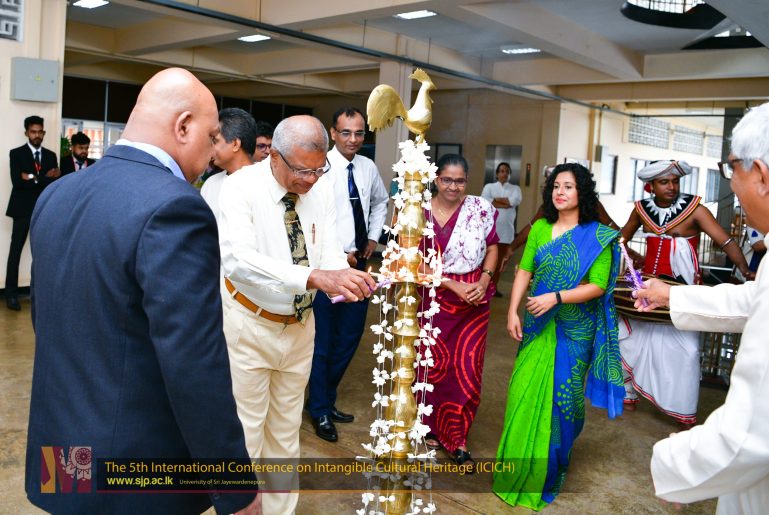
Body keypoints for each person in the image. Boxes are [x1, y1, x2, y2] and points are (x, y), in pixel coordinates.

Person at [25, 68, 259, 515]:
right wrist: (235, 487)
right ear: (183, 125)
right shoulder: (176, 206)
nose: (213, 151)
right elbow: (194, 365)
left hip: (64, 447)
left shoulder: (57, 194)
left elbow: (47, 319)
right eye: (211, 136)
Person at [218, 114, 376, 514]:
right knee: (246, 432)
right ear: (274, 156)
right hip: (249, 325)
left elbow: (328, 250)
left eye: (319, 170)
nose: (311, 180)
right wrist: (314, 277)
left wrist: (344, 277)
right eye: (303, 170)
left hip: (300, 327)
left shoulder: (320, 188)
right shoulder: (240, 188)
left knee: (286, 434)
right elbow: (239, 261)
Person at [636, 101, 769, 513]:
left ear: (761, 175)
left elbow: (754, 428)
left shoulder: (696, 210)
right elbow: (752, 300)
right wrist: (670, 294)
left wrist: (676, 465)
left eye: (732, 170)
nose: (733, 188)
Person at [493, 162, 623, 510]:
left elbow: (598, 286)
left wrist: (557, 297)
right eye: (555, 186)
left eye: (568, 186)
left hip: (574, 330)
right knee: (521, 391)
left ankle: (547, 473)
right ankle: (515, 471)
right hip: (537, 325)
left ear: (582, 192)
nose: (560, 192)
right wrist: (511, 310)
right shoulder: (540, 228)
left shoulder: (597, 236)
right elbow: (525, 270)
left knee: (564, 405)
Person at [618, 160, 752, 427]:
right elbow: (621, 239)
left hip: (680, 291)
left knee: (687, 352)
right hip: (647, 288)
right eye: (664, 182)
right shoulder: (641, 210)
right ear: (650, 186)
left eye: (675, 181)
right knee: (629, 339)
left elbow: (725, 241)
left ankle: (683, 410)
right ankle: (628, 392)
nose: (671, 186)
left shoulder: (695, 210)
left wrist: (745, 270)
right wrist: (631, 258)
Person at [307, 107, 389, 442]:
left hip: (359, 268)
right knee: (322, 342)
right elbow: (312, 219)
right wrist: (338, 253)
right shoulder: (319, 167)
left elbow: (381, 202)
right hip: (328, 269)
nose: (353, 139)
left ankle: (325, 399)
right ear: (332, 133)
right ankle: (320, 409)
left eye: (359, 133)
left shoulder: (367, 167)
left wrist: (373, 237)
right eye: (345, 132)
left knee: (349, 339)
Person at [421, 154, 498, 470]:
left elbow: (493, 247)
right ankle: (429, 427)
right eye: (447, 180)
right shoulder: (417, 211)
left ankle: (457, 436)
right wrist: (452, 284)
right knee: (432, 364)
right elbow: (408, 260)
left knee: (466, 368)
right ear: (436, 179)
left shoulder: (480, 209)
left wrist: (485, 279)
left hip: (473, 300)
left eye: (460, 181)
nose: (453, 187)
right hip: (433, 298)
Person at [5, 115, 60, 311]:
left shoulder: (51, 155)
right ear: (26, 133)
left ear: (43, 132)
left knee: (44, 253)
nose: (37, 135)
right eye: (33, 132)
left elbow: (54, 182)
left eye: (40, 132)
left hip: (44, 209)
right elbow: (17, 182)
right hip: (22, 210)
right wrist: (43, 177)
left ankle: (42, 294)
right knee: (15, 252)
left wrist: (31, 177)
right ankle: (11, 295)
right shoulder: (16, 154)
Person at [200, 107, 256, 224]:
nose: (211, 148)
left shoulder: (265, 182)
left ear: (235, 144)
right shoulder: (211, 184)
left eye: (215, 141)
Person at [480, 162, 522, 297]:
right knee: (484, 261)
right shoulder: (489, 187)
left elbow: (514, 201)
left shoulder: (515, 189)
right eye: (502, 171)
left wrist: (496, 201)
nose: (504, 173)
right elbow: (486, 202)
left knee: (499, 263)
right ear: (497, 174)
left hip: (506, 233)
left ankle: (493, 288)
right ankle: (482, 286)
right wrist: (505, 202)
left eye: (507, 171)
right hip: (489, 231)